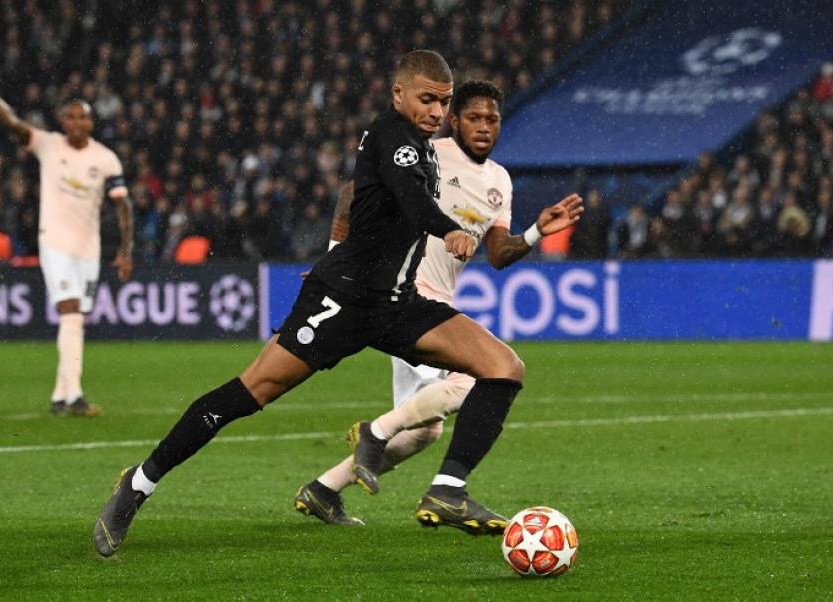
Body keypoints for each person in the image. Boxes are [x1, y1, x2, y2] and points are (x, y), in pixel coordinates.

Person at [93, 50, 527, 557]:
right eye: (427, 99)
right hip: (341, 299)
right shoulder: (394, 138)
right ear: (399, 94)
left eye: (443, 102)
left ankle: (449, 490)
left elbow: (369, 201)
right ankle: (136, 486)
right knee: (250, 391)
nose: (435, 110)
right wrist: (448, 229)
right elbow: (412, 201)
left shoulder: (428, 147)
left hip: (397, 303)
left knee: (503, 366)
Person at [293, 80, 582, 528]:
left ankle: (323, 490)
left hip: (433, 303)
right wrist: (335, 259)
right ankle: (385, 439)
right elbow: (354, 193)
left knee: (426, 430)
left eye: (492, 119)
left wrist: (538, 231)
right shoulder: (430, 153)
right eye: (474, 118)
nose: (484, 127)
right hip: (401, 296)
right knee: (476, 379)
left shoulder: (500, 181)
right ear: (454, 121)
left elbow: (499, 253)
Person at [0, 55, 134, 417]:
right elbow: (12, 123)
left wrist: (125, 249)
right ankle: (74, 397)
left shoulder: (106, 159)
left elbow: (122, 205)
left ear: (91, 121)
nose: (76, 122)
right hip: (53, 242)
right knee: (70, 311)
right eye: (70, 116)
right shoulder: (47, 144)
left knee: (76, 319)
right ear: (62, 121)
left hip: (89, 249)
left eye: (82, 116)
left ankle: (60, 396)